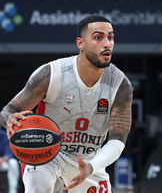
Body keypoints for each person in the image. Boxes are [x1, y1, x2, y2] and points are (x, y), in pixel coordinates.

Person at [0, 15, 133, 193]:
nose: (107, 43)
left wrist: (92, 166)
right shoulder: (51, 74)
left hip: (88, 160)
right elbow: (9, 110)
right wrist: (10, 119)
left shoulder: (120, 84)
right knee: (38, 186)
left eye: (110, 37)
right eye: (98, 37)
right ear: (81, 43)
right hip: (47, 152)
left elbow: (118, 141)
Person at [0, 129, 20, 193]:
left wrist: (2, 159)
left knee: (13, 163)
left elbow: (9, 153)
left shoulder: (3, 135)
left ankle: (13, 191)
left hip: (2, 163)